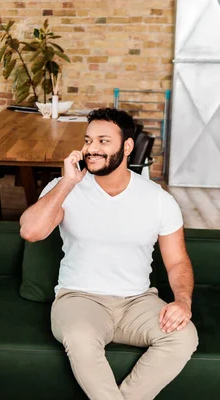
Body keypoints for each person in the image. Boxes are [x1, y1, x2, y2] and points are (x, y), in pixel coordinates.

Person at [19, 108, 198, 400]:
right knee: (80, 338)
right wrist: (67, 182)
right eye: (88, 141)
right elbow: (31, 232)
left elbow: (178, 261)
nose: (92, 149)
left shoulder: (158, 200)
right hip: (79, 298)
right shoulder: (65, 188)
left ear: (127, 147)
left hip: (137, 302)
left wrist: (183, 302)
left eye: (103, 141)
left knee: (184, 335)